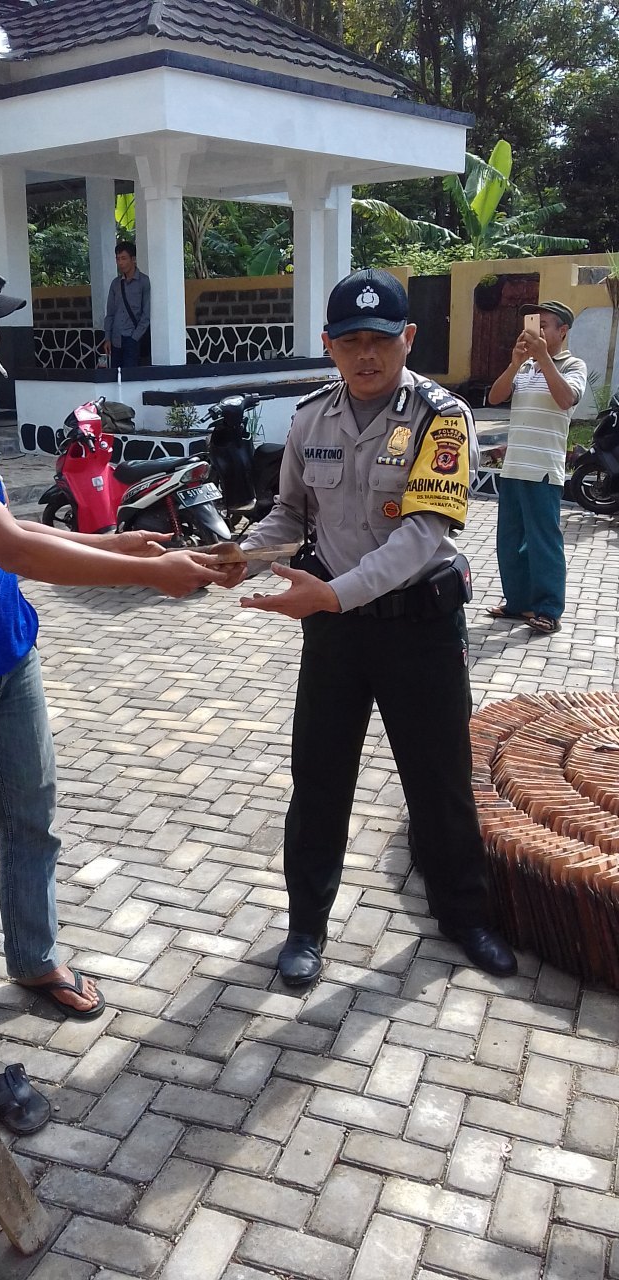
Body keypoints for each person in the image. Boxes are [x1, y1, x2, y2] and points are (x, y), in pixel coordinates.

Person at [0, 251, 237, 1018]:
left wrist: (115, 543)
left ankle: (34, 958)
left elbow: (8, 524)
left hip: (7, 648)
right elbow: (14, 550)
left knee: (32, 820)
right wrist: (146, 577)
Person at [238, 268, 517, 985]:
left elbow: (423, 535)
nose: (367, 355)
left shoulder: (441, 418)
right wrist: (235, 560)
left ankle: (465, 916)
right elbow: (289, 515)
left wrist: (333, 596)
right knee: (319, 778)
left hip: (418, 626)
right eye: (351, 341)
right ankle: (306, 926)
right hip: (336, 633)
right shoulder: (310, 419)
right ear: (328, 343)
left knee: (439, 778)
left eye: (382, 340)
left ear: (409, 338)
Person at [486, 301, 587, 635]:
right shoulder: (525, 366)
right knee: (509, 541)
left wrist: (543, 358)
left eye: (544, 325)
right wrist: (516, 363)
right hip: (514, 467)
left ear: (563, 331)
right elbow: (495, 397)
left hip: (543, 470)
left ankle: (548, 610)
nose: (536, 330)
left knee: (543, 543)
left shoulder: (573, 365)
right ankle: (518, 603)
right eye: (534, 323)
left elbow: (566, 399)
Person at [102, 241, 151, 369]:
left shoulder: (143, 281)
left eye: (124, 258)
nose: (120, 263)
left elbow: (146, 314)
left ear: (133, 259)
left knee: (131, 376)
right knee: (115, 375)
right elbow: (110, 313)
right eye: (118, 259)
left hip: (133, 338)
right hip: (116, 339)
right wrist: (107, 338)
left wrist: (135, 337)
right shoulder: (115, 284)